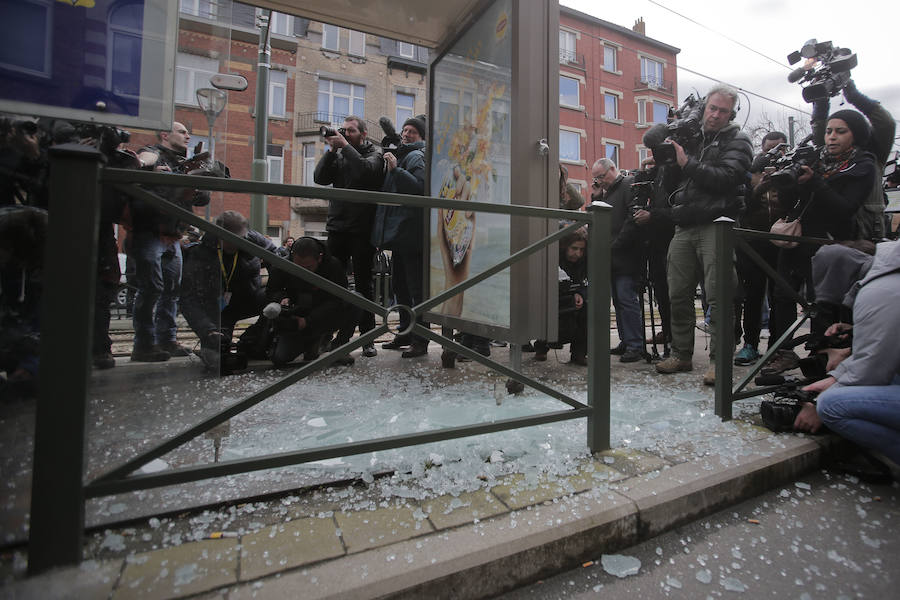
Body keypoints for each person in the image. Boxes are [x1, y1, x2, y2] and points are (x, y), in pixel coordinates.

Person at [643, 84, 753, 385]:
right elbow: (670, 177)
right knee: (677, 292)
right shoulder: (691, 137)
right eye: (712, 108)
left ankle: (720, 362)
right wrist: (666, 147)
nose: (715, 115)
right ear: (704, 107)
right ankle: (681, 354)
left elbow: (727, 179)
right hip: (685, 223)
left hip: (716, 223)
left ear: (732, 114)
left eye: (723, 111)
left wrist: (687, 163)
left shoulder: (739, 140)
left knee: (718, 296)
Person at [764, 109, 879, 375]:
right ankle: (783, 352)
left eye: (841, 131)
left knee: (821, 302)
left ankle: (819, 354)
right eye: (829, 131)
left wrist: (815, 182)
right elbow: (791, 202)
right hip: (796, 238)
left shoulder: (862, 164)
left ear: (856, 134)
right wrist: (786, 181)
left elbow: (845, 208)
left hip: (830, 243)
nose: (832, 137)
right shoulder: (814, 159)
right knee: (783, 296)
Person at [793, 241, 900, 468]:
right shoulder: (890, 275)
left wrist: (818, 399)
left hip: (876, 372)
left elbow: (872, 371)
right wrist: (856, 337)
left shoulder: (876, 292)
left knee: (831, 406)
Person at [128, 122, 209, 362]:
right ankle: (143, 344)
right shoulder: (153, 152)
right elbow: (143, 160)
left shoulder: (183, 163)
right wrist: (149, 168)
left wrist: (195, 181)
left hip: (174, 234)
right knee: (151, 289)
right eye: (182, 132)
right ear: (165, 134)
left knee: (171, 290)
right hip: (150, 231)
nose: (187, 135)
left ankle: (166, 339)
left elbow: (203, 198)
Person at [314, 116, 384, 358]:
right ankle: (326, 333)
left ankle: (367, 338)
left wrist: (344, 146)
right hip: (338, 227)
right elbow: (320, 178)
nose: (345, 134)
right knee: (331, 283)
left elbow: (367, 172)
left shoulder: (375, 153)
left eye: (351, 131)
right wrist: (331, 152)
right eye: (343, 131)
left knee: (364, 284)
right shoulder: (339, 153)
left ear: (363, 134)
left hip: (362, 230)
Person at [180, 211, 276, 372]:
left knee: (275, 299)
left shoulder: (252, 241)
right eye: (230, 239)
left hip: (247, 298)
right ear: (219, 234)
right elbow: (188, 299)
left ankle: (251, 341)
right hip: (218, 309)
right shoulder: (201, 254)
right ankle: (217, 344)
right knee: (217, 355)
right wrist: (207, 330)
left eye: (240, 238)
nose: (235, 243)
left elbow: (278, 258)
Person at [372, 115, 428, 358]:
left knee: (415, 291)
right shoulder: (404, 155)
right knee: (401, 288)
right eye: (405, 130)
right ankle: (405, 332)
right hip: (401, 235)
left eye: (412, 132)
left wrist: (395, 170)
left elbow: (419, 189)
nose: (406, 134)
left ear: (422, 137)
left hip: (411, 235)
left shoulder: (416, 157)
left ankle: (420, 339)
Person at [733, 131, 787, 366]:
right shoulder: (750, 175)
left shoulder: (793, 173)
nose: (774, 155)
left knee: (781, 297)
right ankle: (750, 344)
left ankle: (778, 346)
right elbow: (740, 208)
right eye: (769, 150)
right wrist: (757, 188)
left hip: (783, 244)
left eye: (780, 149)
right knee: (753, 297)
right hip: (753, 244)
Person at [265, 237, 352, 367]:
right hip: (297, 316)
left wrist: (309, 320)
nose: (304, 271)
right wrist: (281, 298)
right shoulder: (282, 265)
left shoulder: (333, 266)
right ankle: (312, 343)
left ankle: (339, 347)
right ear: (292, 257)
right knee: (280, 358)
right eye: (298, 267)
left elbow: (339, 298)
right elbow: (271, 291)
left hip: (323, 315)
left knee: (355, 301)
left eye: (308, 267)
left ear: (320, 258)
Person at [591, 158, 643, 363]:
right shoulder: (608, 192)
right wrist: (595, 197)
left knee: (626, 299)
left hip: (625, 255)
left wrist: (615, 245)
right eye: (596, 178)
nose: (599, 181)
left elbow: (632, 220)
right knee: (619, 302)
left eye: (601, 177)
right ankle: (626, 340)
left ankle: (635, 345)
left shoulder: (628, 185)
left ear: (613, 169)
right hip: (612, 256)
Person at [632, 155, 674, 354]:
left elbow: (671, 209)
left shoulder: (670, 176)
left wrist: (653, 215)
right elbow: (638, 195)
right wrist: (642, 169)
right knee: (658, 289)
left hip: (667, 240)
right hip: (652, 242)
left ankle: (672, 333)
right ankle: (666, 331)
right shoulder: (652, 177)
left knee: (668, 292)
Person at [533, 228, 588, 365]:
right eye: (574, 248)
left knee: (586, 312)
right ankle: (542, 345)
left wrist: (579, 293)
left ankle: (579, 353)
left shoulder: (584, 260)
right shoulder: (553, 256)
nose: (578, 253)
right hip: (553, 294)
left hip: (573, 293)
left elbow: (585, 280)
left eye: (581, 250)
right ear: (565, 246)